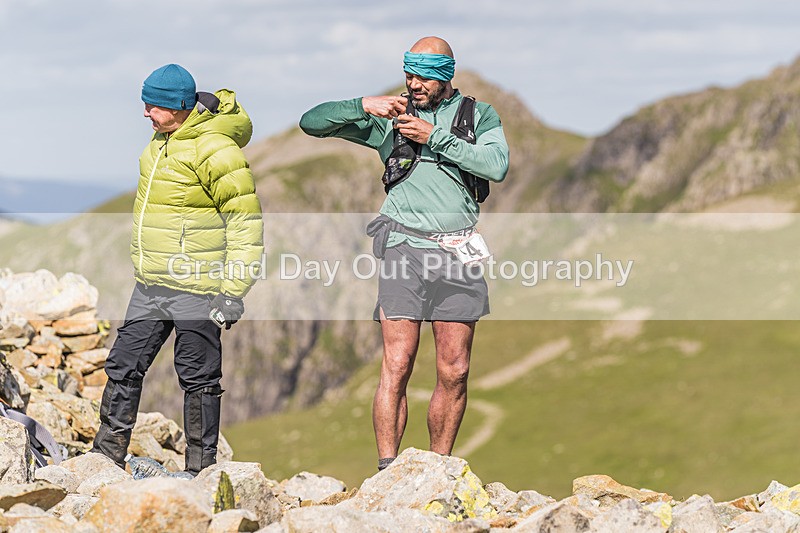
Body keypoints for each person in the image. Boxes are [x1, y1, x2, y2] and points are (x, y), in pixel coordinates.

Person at [300, 37, 509, 470]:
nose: (413, 84)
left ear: (445, 77)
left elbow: (496, 166)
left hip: (458, 252)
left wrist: (436, 138)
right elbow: (311, 122)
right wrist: (363, 104)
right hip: (403, 247)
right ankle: (387, 470)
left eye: (423, 77)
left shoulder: (478, 115)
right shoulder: (391, 118)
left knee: (455, 370)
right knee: (397, 363)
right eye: (408, 74)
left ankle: (438, 470)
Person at [90, 64, 264, 477]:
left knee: (199, 379)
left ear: (179, 106)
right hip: (151, 283)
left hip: (198, 287)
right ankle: (105, 457)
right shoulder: (162, 139)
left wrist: (233, 291)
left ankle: (201, 473)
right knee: (122, 364)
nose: (145, 112)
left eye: (153, 105)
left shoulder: (216, 150)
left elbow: (245, 222)